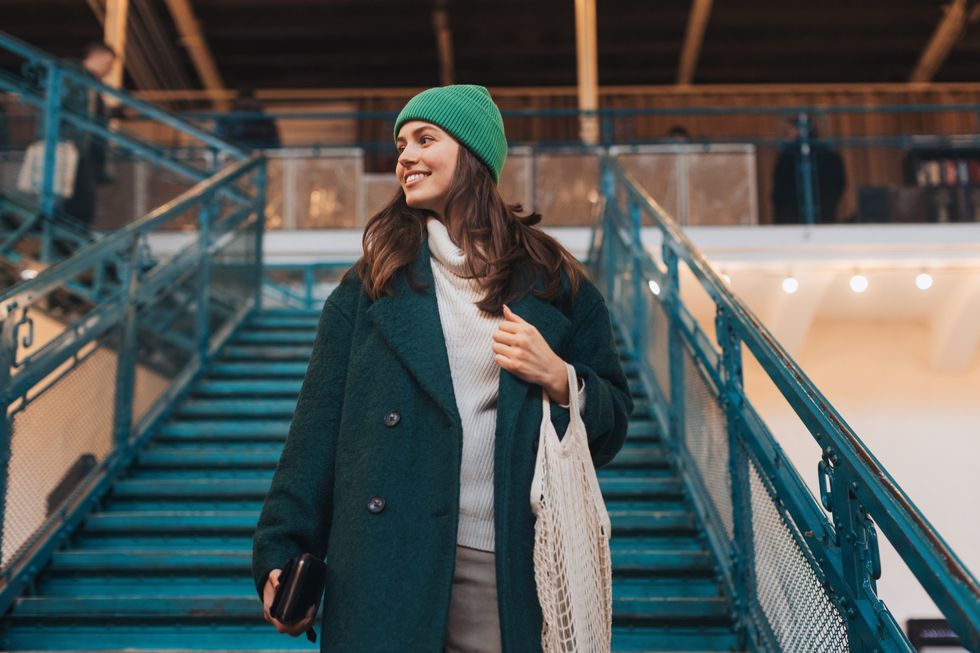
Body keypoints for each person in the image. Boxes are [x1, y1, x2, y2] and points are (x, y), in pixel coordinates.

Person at [251, 85, 634, 652]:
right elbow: (315, 432)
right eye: (401, 144)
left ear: (473, 154)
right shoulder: (370, 285)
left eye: (425, 139)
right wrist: (281, 549)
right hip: (384, 564)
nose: (405, 156)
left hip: (506, 565)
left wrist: (559, 378)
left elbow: (613, 421)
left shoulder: (554, 282)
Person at [61, 41, 117, 229]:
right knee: (80, 198)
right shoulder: (75, 77)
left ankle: (73, 236)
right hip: (75, 147)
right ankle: (72, 237)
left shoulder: (88, 83)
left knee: (81, 197)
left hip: (84, 148)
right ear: (95, 56)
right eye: (108, 64)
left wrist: (118, 112)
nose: (109, 70)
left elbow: (91, 113)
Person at [771, 114, 847, 224]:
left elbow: (779, 189)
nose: (787, 133)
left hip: (793, 216)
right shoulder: (829, 153)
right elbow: (840, 183)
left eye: (791, 129)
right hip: (823, 214)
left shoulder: (787, 155)